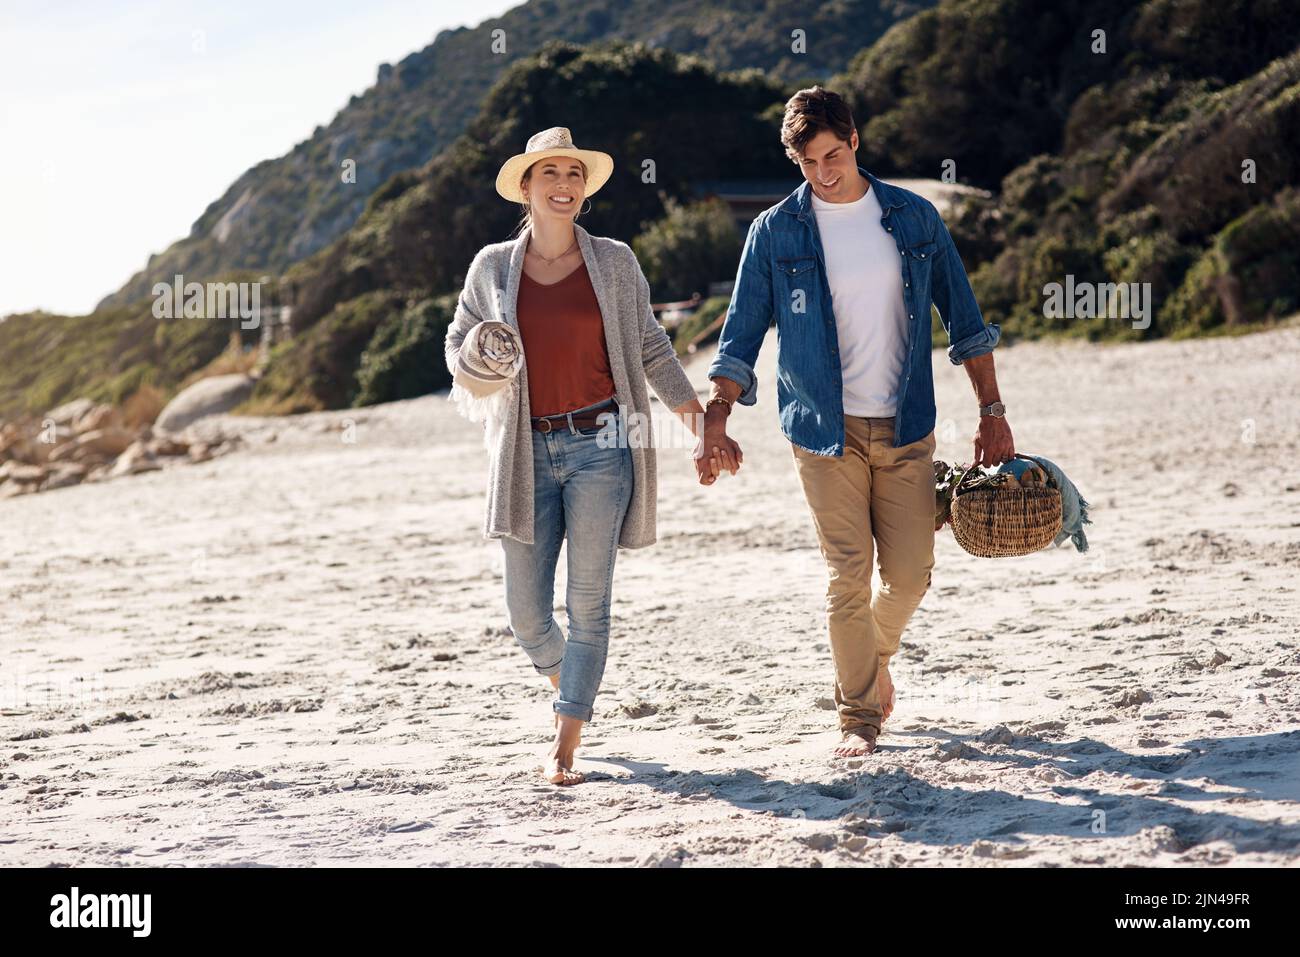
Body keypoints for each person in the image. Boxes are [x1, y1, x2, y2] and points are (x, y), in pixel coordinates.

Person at [699, 87, 1015, 758]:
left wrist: (992, 410)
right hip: (821, 431)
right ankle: (858, 719)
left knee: (909, 574)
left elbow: (965, 318)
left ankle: (872, 656)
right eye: (808, 162)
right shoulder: (775, 231)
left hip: (906, 427)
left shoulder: (914, 218)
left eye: (833, 155)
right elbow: (741, 332)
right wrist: (718, 414)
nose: (824, 173)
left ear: (856, 140)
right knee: (848, 572)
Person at [445, 127, 708, 785]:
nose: (564, 185)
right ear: (527, 188)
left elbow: (650, 346)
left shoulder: (615, 261)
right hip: (524, 451)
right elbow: (455, 342)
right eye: (550, 174)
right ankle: (574, 685)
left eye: (573, 173)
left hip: (602, 448)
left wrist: (698, 420)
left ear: (582, 187)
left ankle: (566, 741)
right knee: (527, 616)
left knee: (589, 604)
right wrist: (476, 355)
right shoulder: (492, 267)